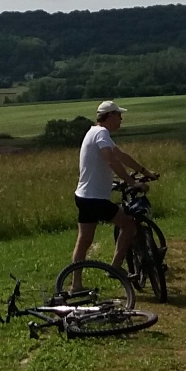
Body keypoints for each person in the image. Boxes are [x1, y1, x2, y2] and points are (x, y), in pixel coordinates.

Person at [73, 100, 149, 273]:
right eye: (119, 115)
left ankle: (76, 283)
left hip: (83, 196)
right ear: (111, 115)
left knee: (84, 241)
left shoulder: (93, 132)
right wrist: (132, 182)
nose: (121, 119)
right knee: (129, 225)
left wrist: (145, 170)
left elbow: (121, 156)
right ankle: (115, 268)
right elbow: (112, 160)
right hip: (96, 199)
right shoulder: (101, 133)